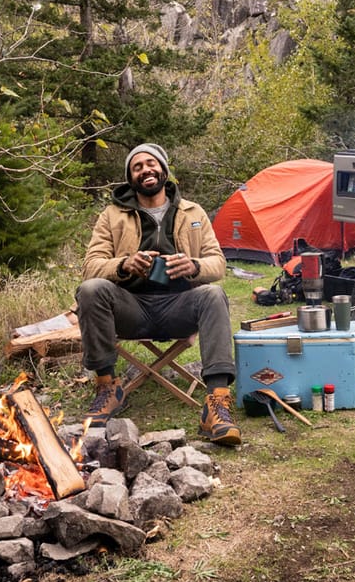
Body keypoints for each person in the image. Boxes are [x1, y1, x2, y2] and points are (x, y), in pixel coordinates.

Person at [75, 142, 241, 446]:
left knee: (213, 294)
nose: (145, 170)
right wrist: (124, 265)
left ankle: (217, 403)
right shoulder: (112, 215)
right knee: (91, 289)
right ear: (130, 178)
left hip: (179, 306)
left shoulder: (193, 212)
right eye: (137, 167)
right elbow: (91, 266)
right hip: (131, 308)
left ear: (164, 170)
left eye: (151, 163)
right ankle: (107, 387)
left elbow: (218, 263)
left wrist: (193, 266)